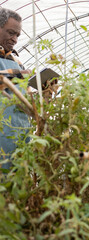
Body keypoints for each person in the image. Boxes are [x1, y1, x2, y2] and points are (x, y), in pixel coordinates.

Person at [0, 8, 31, 170]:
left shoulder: (16, 60)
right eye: (11, 33)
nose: (15, 39)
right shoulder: (17, 67)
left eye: (17, 35)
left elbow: (24, 93)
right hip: (2, 131)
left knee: (21, 177)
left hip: (20, 127)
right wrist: (16, 74)